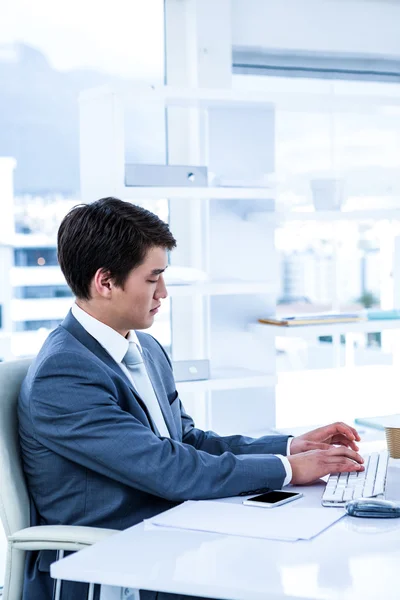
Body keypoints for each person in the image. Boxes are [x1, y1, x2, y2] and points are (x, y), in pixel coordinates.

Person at [18, 197, 364, 600]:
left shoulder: (145, 349)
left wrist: (290, 447)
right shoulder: (64, 373)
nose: (163, 292)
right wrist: (288, 469)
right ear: (106, 282)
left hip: (170, 536)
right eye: (152, 279)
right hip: (110, 565)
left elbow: (187, 442)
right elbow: (169, 469)